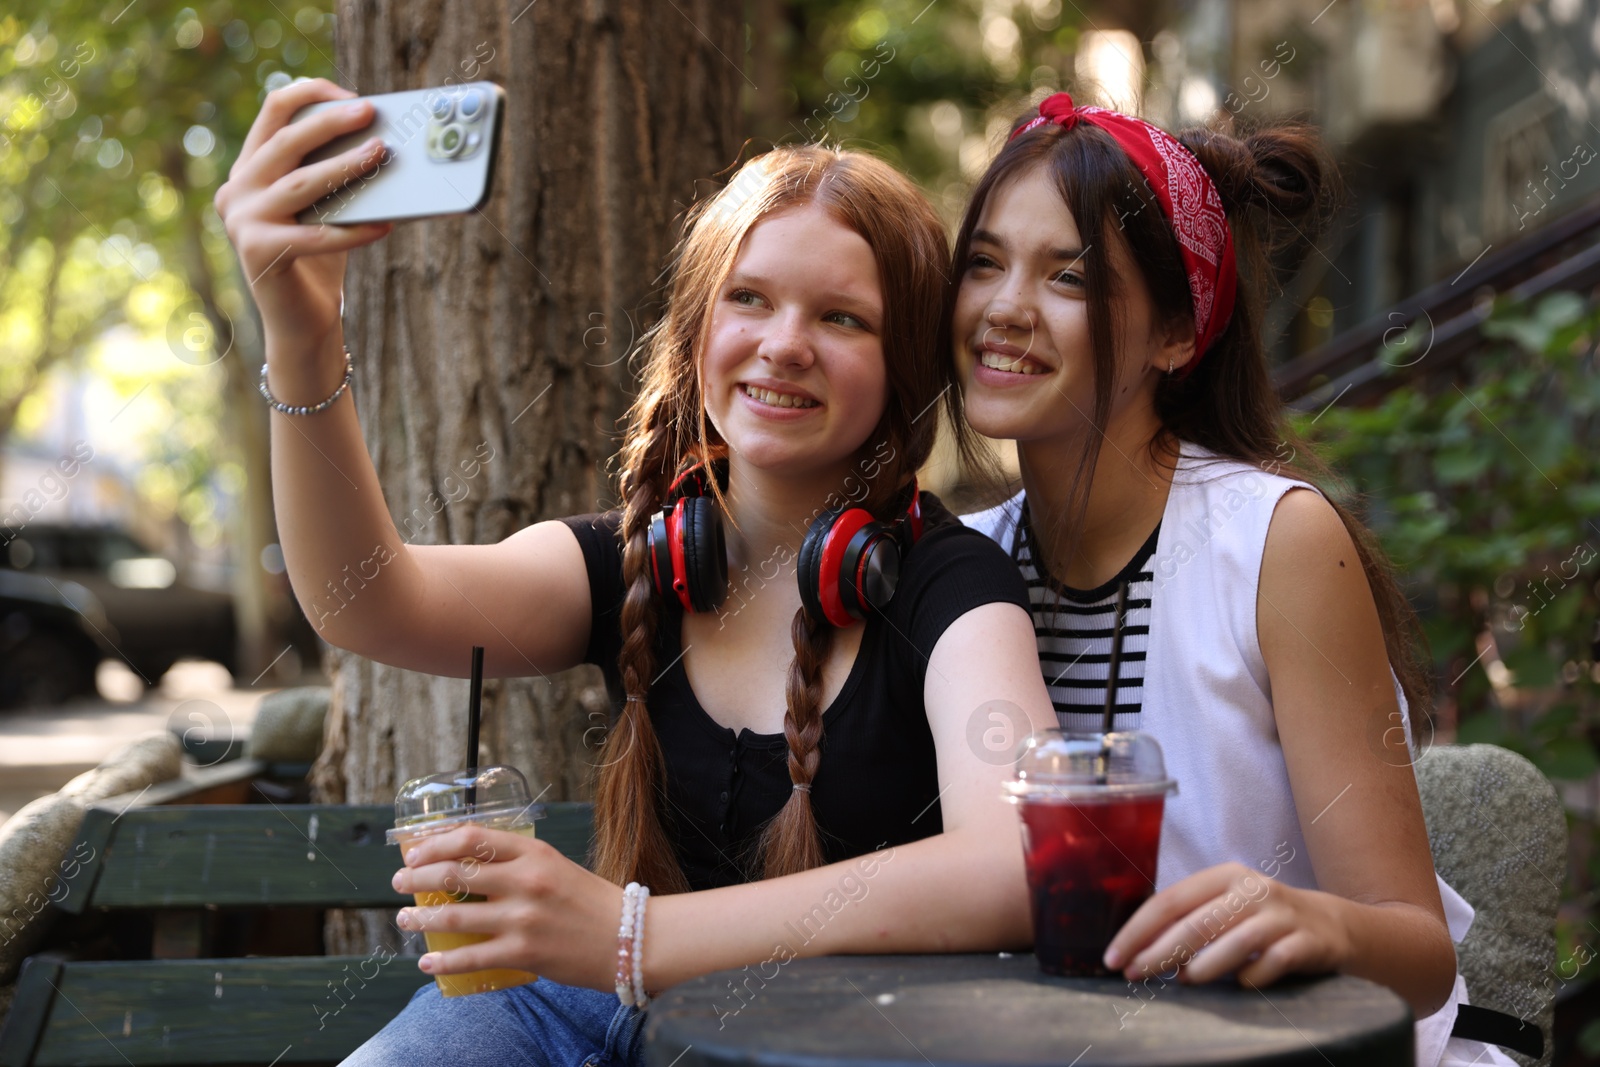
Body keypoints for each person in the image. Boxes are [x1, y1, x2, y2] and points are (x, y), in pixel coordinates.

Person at [214, 78, 1057, 1067]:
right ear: (698, 331)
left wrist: (629, 933)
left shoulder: (952, 588)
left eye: (841, 318)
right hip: (584, 1007)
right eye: (749, 298)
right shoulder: (631, 561)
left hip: (842, 1034)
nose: (783, 343)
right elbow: (361, 597)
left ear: (904, 361)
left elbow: (1016, 860)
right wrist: (304, 338)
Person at [944, 91, 1520, 1067]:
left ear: (1177, 333)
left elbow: (1416, 951)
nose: (1004, 308)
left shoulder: (1274, 543)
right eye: (984, 263)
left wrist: (1315, 921)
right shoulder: (958, 561)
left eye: (1068, 276)